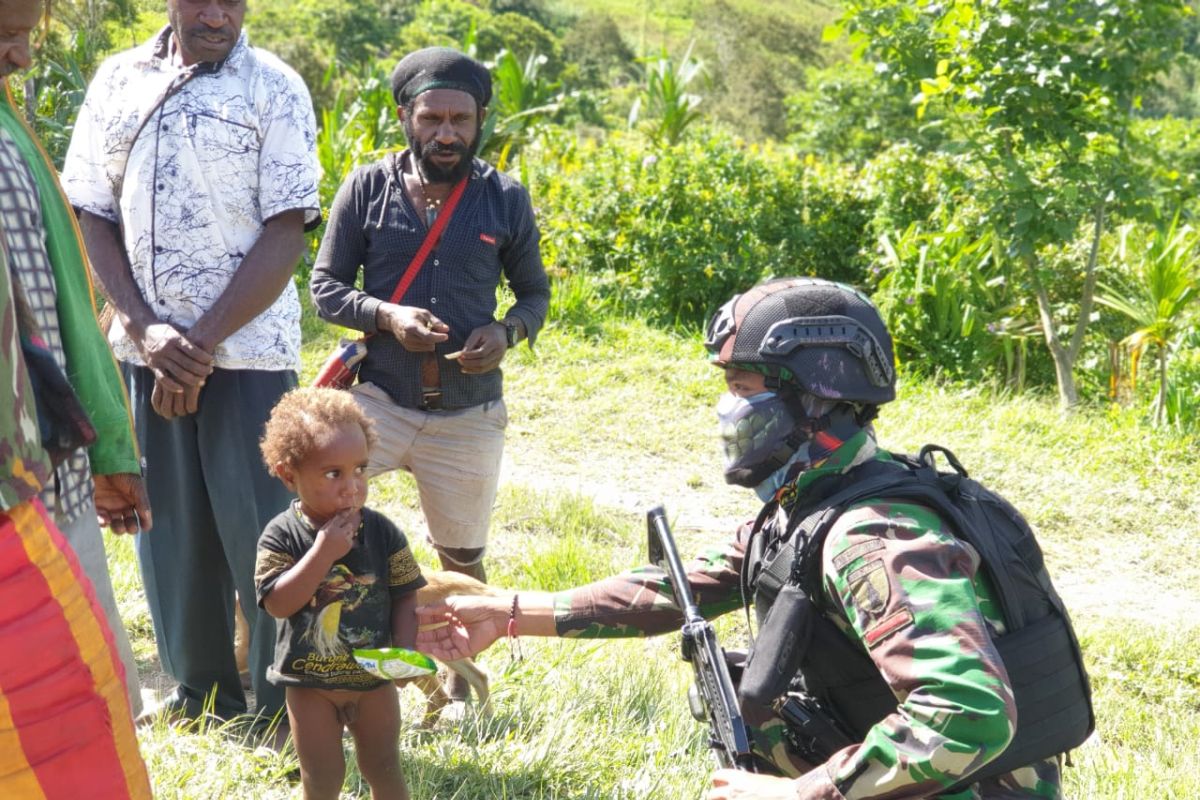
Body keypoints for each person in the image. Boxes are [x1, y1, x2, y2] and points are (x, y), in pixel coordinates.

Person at [417, 278, 1069, 799]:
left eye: (742, 387)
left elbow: (968, 711)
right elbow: (671, 592)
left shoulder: (871, 536)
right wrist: (503, 616)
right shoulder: (813, 503)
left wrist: (804, 793)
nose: (728, 409)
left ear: (813, 397)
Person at [60, 0, 321, 726]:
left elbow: (287, 227)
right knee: (168, 530)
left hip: (249, 358)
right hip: (146, 356)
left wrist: (196, 345)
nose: (217, 13)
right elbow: (93, 212)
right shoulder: (117, 81)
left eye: (232, 0)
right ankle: (201, 695)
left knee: (265, 529)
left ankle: (280, 705)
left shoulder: (275, 87)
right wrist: (148, 334)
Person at [310, 46, 549, 699]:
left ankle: (461, 682)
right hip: (381, 403)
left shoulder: (504, 199)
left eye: (461, 121)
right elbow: (325, 288)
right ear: (404, 117)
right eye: (432, 118)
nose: (447, 134)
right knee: (315, 520)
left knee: (462, 559)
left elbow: (535, 296)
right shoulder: (365, 188)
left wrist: (506, 333)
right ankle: (321, 659)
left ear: (479, 123)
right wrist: (387, 317)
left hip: (470, 413)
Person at [2, 9, 151, 778]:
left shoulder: (10, 127)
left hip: (45, 462)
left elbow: (56, 306)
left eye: (26, 32)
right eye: (3, 35)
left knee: (84, 699)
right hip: (14, 488)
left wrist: (107, 449)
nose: (21, 54)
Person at [256, 387, 426, 800]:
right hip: (309, 685)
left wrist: (401, 655)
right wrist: (322, 552)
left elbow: (406, 594)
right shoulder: (281, 535)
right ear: (288, 474)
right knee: (322, 778)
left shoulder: (382, 532)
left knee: (384, 769)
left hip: (373, 684)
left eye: (360, 469)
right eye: (333, 473)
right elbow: (278, 603)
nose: (352, 487)